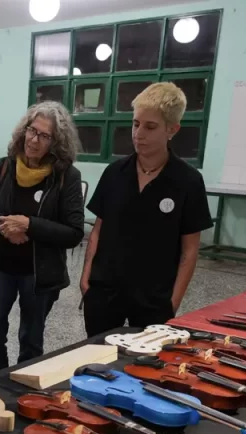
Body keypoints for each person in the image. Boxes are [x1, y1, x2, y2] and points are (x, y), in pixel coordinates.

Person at [80, 82, 212, 337]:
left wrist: (173, 302)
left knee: (145, 359)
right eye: (136, 124)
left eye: (150, 127)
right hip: (105, 291)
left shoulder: (188, 181)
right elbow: (98, 230)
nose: (138, 134)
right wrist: (86, 278)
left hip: (153, 298)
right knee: (98, 355)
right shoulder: (115, 173)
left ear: (172, 129)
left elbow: (190, 250)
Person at [0, 102, 85, 373]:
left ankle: (25, 388)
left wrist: (29, 225)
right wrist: (3, 225)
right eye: (32, 131)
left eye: (44, 136)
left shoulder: (67, 176)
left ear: (56, 142)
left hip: (40, 275)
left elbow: (74, 232)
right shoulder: (4, 167)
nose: (34, 140)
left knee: (31, 340)